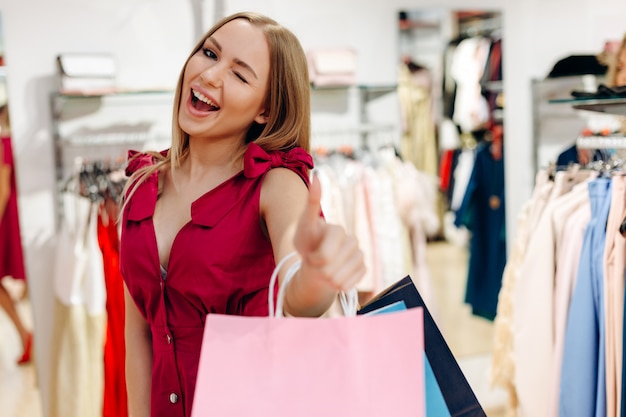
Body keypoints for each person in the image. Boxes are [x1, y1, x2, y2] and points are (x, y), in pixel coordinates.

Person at [120, 11, 366, 417]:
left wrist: (317, 275)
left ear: (265, 110)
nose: (210, 75)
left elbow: (298, 294)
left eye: (239, 74)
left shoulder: (276, 184)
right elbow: (140, 333)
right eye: (209, 53)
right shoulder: (140, 184)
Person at [0, 101, 32, 365]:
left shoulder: (3, 143)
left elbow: (3, 190)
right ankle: (26, 335)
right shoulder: (13, 143)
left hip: (3, 219)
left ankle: (25, 335)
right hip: (11, 218)